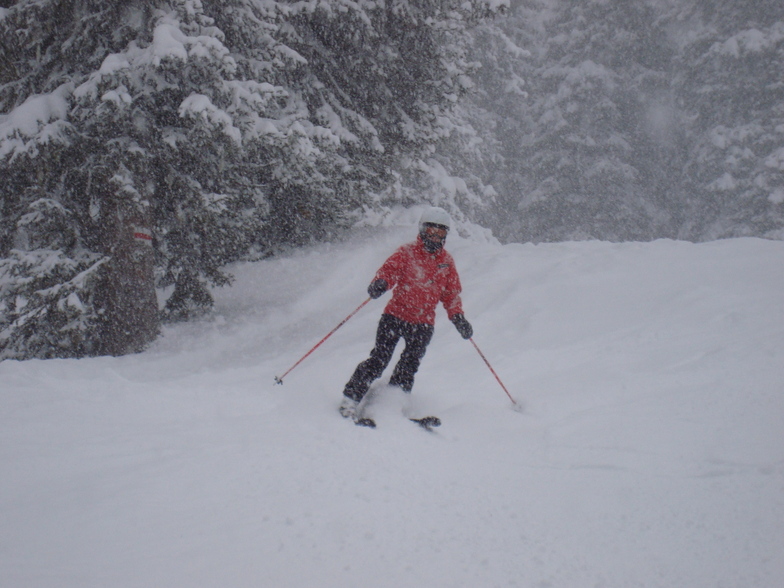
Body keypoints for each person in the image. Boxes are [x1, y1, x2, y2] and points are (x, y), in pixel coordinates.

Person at [339, 207, 473, 420]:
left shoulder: (446, 262)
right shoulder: (407, 252)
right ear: (422, 230)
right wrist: (381, 283)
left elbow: (451, 294)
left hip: (422, 324)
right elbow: (389, 271)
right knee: (379, 360)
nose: (435, 237)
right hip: (394, 317)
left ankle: (390, 406)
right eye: (431, 231)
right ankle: (350, 400)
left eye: (441, 233)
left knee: (408, 366)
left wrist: (458, 317)